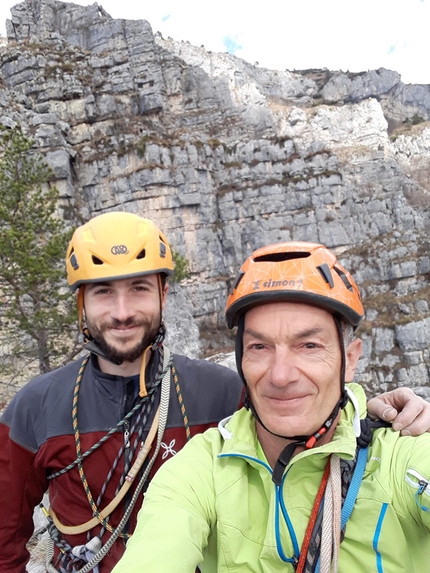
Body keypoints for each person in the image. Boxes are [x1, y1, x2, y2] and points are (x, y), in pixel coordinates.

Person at [0, 222, 427, 573]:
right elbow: (5, 531)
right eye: (103, 292)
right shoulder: (35, 406)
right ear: (82, 304)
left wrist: (370, 411)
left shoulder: (221, 391)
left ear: (164, 295)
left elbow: (303, 420)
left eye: (139, 289)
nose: (123, 311)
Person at [113, 241, 430, 573]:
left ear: (349, 359)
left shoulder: (397, 456)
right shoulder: (200, 471)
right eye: (259, 346)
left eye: (308, 345)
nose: (280, 375)